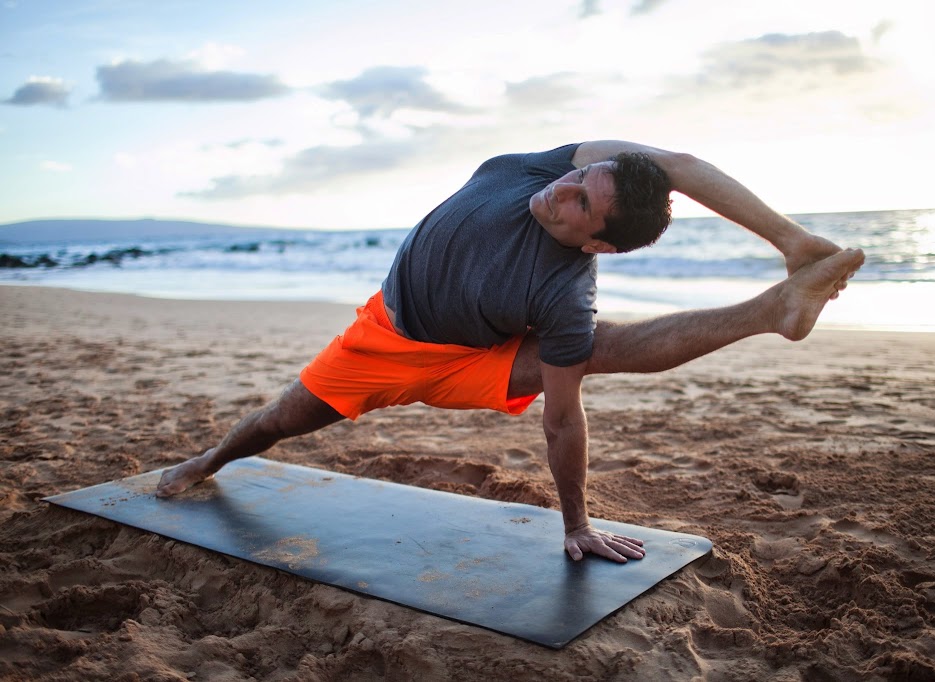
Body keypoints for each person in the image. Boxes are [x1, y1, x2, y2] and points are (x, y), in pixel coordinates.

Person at [156, 140, 865, 564]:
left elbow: (561, 419)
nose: (561, 190)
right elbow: (674, 164)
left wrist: (578, 525)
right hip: (382, 338)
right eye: (578, 179)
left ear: (598, 245)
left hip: (473, 358)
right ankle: (208, 461)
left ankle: (770, 311)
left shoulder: (565, 293)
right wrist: (790, 239)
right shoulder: (527, 171)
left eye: (578, 203)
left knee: (594, 349)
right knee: (281, 418)